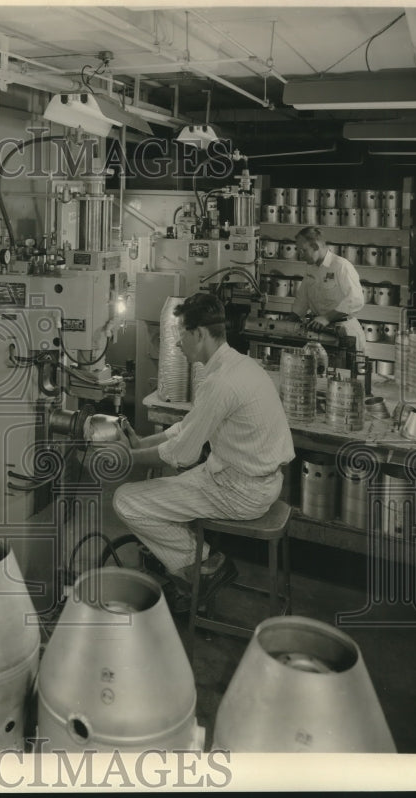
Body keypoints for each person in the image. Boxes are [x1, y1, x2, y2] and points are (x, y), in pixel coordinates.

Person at [112, 293, 295, 612]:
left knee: (127, 500)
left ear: (198, 334)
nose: (177, 342)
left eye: (181, 332)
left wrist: (129, 457)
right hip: (255, 479)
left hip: (241, 491)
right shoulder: (238, 365)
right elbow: (192, 425)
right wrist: (142, 443)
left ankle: (204, 566)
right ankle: (191, 562)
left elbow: (180, 455)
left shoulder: (219, 382)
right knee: (165, 491)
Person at [289, 226, 367, 356]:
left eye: (303, 251)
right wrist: (291, 319)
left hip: (345, 333)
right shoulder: (311, 268)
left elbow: (356, 299)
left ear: (315, 246)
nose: (300, 256)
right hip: (321, 333)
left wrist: (326, 317)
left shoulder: (341, 266)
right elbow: (303, 298)